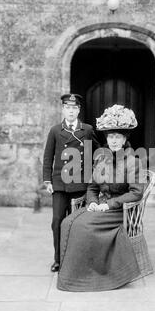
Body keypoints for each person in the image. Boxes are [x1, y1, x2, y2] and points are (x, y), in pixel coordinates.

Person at [57, 105, 145, 292]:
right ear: (106, 139)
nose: (113, 141)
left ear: (124, 139)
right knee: (66, 222)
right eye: (110, 137)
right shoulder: (101, 159)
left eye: (117, 137)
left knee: (83, 227)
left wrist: (108, 205)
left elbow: (136, 192)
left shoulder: (133, 162)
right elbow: (92, 187)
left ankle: (87, 276)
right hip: (99, 206)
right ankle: (71, 272)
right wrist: (93, 202)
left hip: (118, 210)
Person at [43, 93, 100, 273]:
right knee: (57, 221)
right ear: (63, 109)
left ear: (78, 110)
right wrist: (47, 180)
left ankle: (76, 258)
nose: (71, 111)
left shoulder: (87, 130)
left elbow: (98, 152)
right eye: (68, 107)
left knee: (77, 222)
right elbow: (48, 156)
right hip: (59, 183)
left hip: (80, 183)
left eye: (74, 108)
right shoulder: (55, 130)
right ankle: (58, 259)